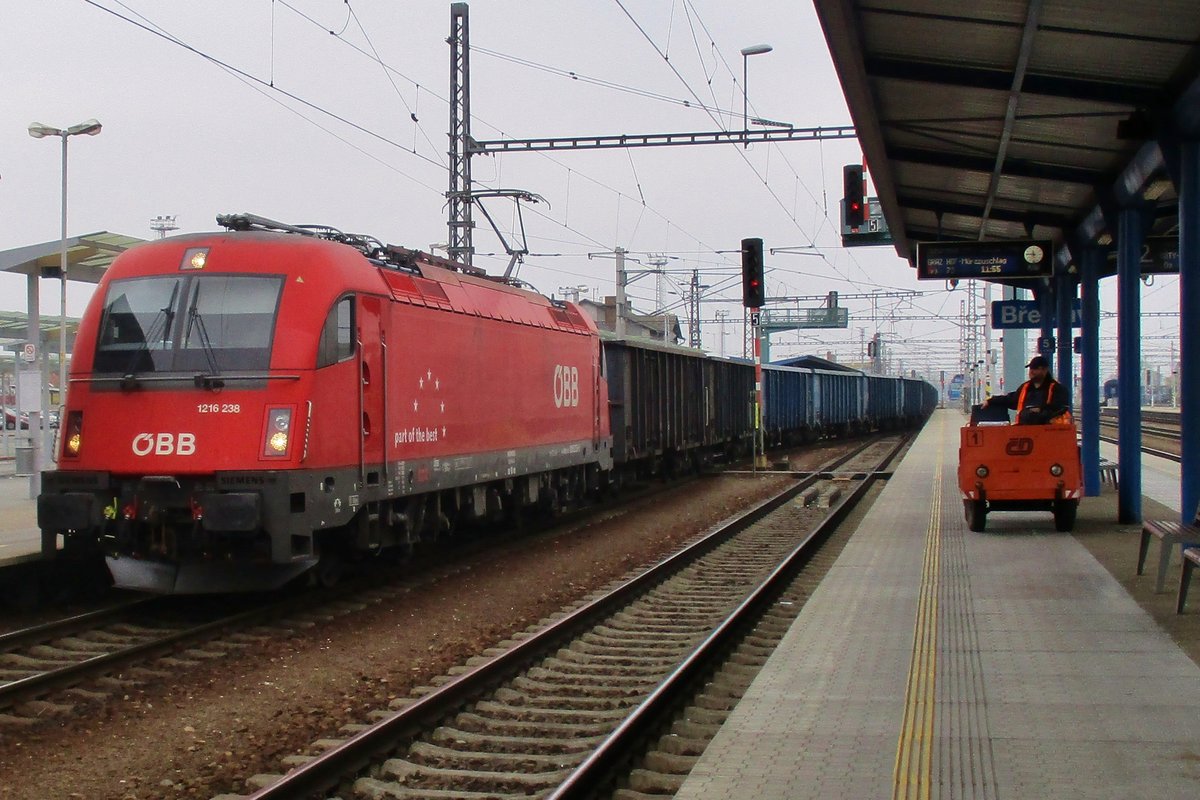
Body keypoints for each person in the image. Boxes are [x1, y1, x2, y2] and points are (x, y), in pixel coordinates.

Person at [982, 355, 1071, 424]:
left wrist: (1040, 411)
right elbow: (1011, 399)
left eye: (1035, 368)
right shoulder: (1025, 388)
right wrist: (991, 401)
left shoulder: (1057, 389)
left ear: (1045, 370)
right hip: (1025, 432)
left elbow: (1059, 407)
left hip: (1050, 434)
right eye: (1031, 368)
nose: (1031, 371)